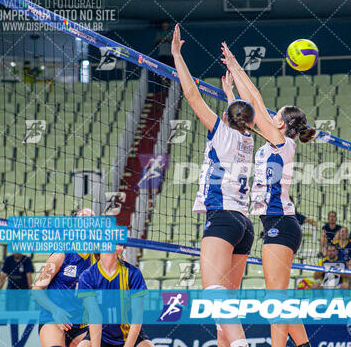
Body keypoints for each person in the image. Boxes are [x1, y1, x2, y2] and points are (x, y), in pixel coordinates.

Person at [222, 41, 315, 347]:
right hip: (276, 223)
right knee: (280, 297)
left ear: (285, 124)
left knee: (275, 299)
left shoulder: (281, 141)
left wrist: (236, 65)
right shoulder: (273, 141)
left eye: (277, 116)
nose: (270, 117)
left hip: (280, 222)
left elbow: (257, 104)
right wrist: (230, 96)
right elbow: (246, 117)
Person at [172, 25, 255, 347]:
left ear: (225, 116)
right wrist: (232, 92)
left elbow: (191, 94)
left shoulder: (223, 131)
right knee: (227, 306)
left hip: (222, 217)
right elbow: (241, 119)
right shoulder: (248, 139)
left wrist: (177, 55)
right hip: (243, 224)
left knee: (213, 295)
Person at [34, 208, 96, 347]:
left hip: (81, 323)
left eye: (93, 217)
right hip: (53, 318)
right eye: (84, 217)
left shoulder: (97, 258)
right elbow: (37, 288)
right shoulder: (61, 253)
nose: (89, 220)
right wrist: (56, 311)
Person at [77, 246, 153, 347]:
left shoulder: (133, 273)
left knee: (147, 346)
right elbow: (95, 315)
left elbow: (137, 316)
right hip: (102, 335)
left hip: (128, 333)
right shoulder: (87, 276)